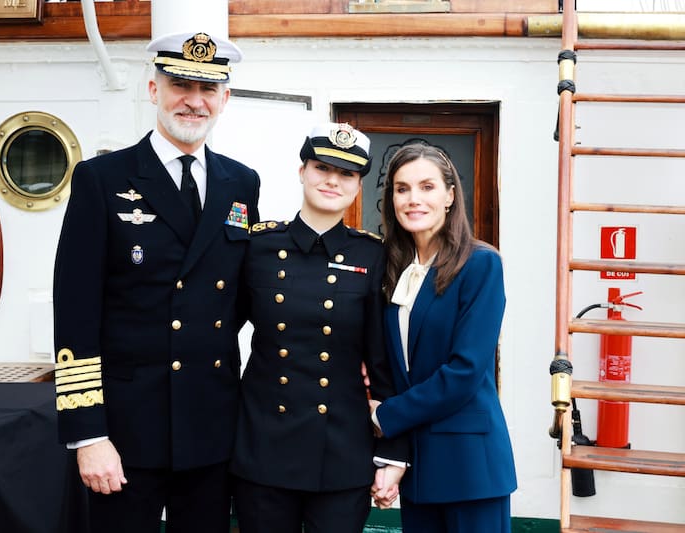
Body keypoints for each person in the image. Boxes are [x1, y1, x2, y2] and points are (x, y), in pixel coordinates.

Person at [52, 31, 260, 533]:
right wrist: (87, 434)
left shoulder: (242, 182)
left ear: (225, 99)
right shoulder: (102, 178)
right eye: (180, 85)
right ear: (153, 90)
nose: (194, 101)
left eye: (208, 89)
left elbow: (244, 295)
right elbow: (75, 311)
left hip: (211, 426)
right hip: (125, 430)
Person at [230, 123, 407, 533]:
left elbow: (384, 363)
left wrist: (392, 452)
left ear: (359, 184)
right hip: (263, 446)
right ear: (302, 171)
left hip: (342, 451)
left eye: (346, 173)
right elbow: (218, 335)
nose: (332, 180)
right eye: (321, 167)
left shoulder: (373, 255)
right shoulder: (257, 247)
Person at [369, 142, 517, 533]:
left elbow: (465, 371)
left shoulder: (481, 264)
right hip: (420, 468)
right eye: (402, 189)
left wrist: (386, 416)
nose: (413, 199)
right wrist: (393, 458)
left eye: (427, 187)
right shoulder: (390, 267)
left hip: (470, 466)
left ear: (450, 196)